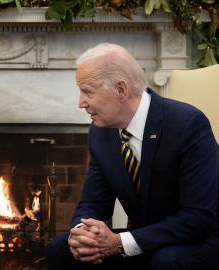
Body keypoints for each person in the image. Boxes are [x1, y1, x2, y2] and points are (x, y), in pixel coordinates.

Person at [46, 43, 219, 269]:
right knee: (61, 248)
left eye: (87, 91)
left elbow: (197, 219)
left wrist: (119, 243)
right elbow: (93, 202)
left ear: (121, 90)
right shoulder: (100, 133)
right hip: (143, 240)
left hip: (199, 239)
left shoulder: (187, 124)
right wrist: (82, 233)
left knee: (165, 261)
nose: (81, 103)